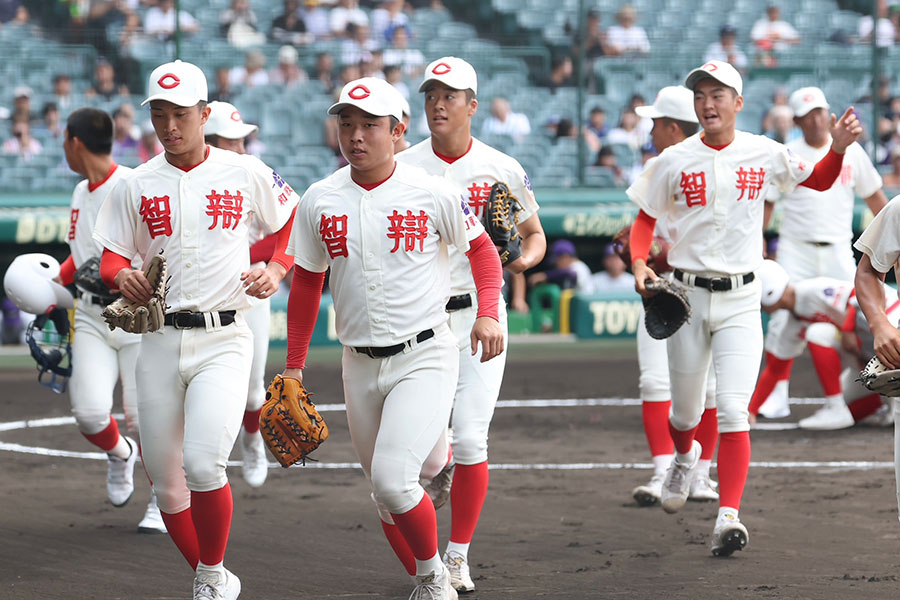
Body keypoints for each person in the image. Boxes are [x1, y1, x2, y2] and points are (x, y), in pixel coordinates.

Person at [283, 75, 505, 600]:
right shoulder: (319, 198)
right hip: (357, 362)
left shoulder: (432, 191)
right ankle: (425, 564)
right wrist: (293, 365)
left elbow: (483, 253)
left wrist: (489, 313)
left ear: (398, 130)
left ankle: (433, 579)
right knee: (384, 495)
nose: (356, 135)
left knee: (392, 480)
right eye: (347, 124)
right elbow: (308, 282)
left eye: (369, 125)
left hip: (425, 353)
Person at [627, 60, 861, 556]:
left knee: (734, 411)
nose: (708, 103)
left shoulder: (764, 150)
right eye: (701, 96)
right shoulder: (674, 159)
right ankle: (683, 458)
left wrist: (837, 149)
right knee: (686, 413)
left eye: (718, 95)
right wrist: (638, 262)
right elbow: (645, 220)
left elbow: (817, 180)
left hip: (740, 299)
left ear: (737, 102)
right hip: (686, 298)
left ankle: (727, 517)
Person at [93, 59, 298, 600]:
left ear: (205, 114)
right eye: (159, 114)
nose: (168, 125)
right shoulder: (135, 183)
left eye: (180, 113)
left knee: (205, 464)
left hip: (225, 336)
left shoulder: (246, 171)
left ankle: (210, 573)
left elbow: (293, 221)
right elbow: (111, 256)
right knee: (164, 482)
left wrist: (277, 267)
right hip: (158, 341)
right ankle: (210, 574)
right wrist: (124, 275)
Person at [398, 56, 546, 593]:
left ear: (472, 105)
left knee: (473, 437)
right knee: (424, 449)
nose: (438, 104)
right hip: (420, 317)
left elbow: (534, 236)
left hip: (481, 312)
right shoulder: (402, 164)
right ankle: (428, 549)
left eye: (450, 95)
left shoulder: (500, 166)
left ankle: (456, 555)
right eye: (431, 95)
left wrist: (517, 261)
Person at [55, 107, 165, 535]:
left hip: (135, 318)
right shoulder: (81, 191)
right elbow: (80, 259)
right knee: (88, 413)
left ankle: (161, 498)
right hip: (90, 316)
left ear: (74, 142)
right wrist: (47, 284)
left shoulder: (133, 186)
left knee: (145, 417)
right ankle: (121, 454)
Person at [757, 87, 887, 423]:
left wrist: (894, 240)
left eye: (820, 112)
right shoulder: (788, 153)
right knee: (783, 317)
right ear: (797, 119)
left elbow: (875, 198)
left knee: (862, 313)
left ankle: (874, 384)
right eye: (808, 114)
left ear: (828, 114)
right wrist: (758, 242)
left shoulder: (852, 152)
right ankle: (777, 393)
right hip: (794, 248)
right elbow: (768, 203)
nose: (816, 119)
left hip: (838, 249)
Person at [626, 86, 719, 508]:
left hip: (704, 287)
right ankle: (665, 469)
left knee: (711, 390)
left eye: (657, 123)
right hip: (660, 288)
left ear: (672, 127)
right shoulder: (656, 167)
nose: (651, 129)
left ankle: (700, 475)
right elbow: (645, 227)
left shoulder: (717, 166)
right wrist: (633, 251)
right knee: (654, 380)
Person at [203, 100, 270, 488]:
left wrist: (253, 260)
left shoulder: (251, 173)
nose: (242, 149)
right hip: (201, 297)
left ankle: (252, 439)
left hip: (249, 289)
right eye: (234, 142)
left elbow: (286, 227)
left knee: (251, 388)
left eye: (244, 141)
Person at [751, 260, 888, 429]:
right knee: (847, 402)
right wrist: (751, 411)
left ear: (768, 292)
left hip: (891, 330)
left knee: (818, 333)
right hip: (870, 355)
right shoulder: (791, 323)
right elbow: (775, 369)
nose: (762, 308)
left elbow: (857, 294)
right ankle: (877, 403)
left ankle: (877, 401)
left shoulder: (811, 289)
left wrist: (847, 330)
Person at [529, 239, 593, 294]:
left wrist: (545, 276)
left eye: (557, 261)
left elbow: (570, 274)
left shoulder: (579, 266)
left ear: (565, 257)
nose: (556, 265)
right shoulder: (569, 268)